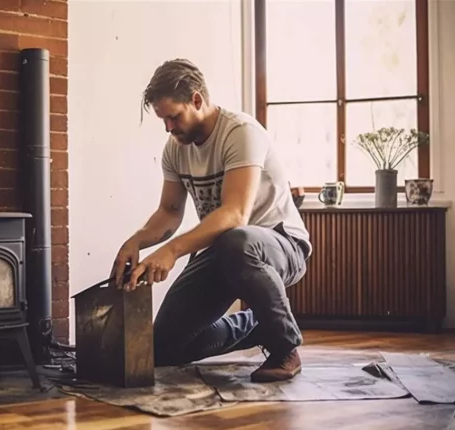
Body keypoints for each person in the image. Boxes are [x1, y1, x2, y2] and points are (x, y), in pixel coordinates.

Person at [110, 59, 312, 382]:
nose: (169, 128)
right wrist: (136, 242)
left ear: (197, 100)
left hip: (281, 244)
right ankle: (260, 325)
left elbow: (235, 215)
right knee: (162, 348)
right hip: (224, 251)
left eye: (173, 117)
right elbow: (169, 213)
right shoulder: (175, 150)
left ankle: (285, 345)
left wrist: (172, 251)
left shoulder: (241, 133)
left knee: (237, 240)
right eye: (163, 120)